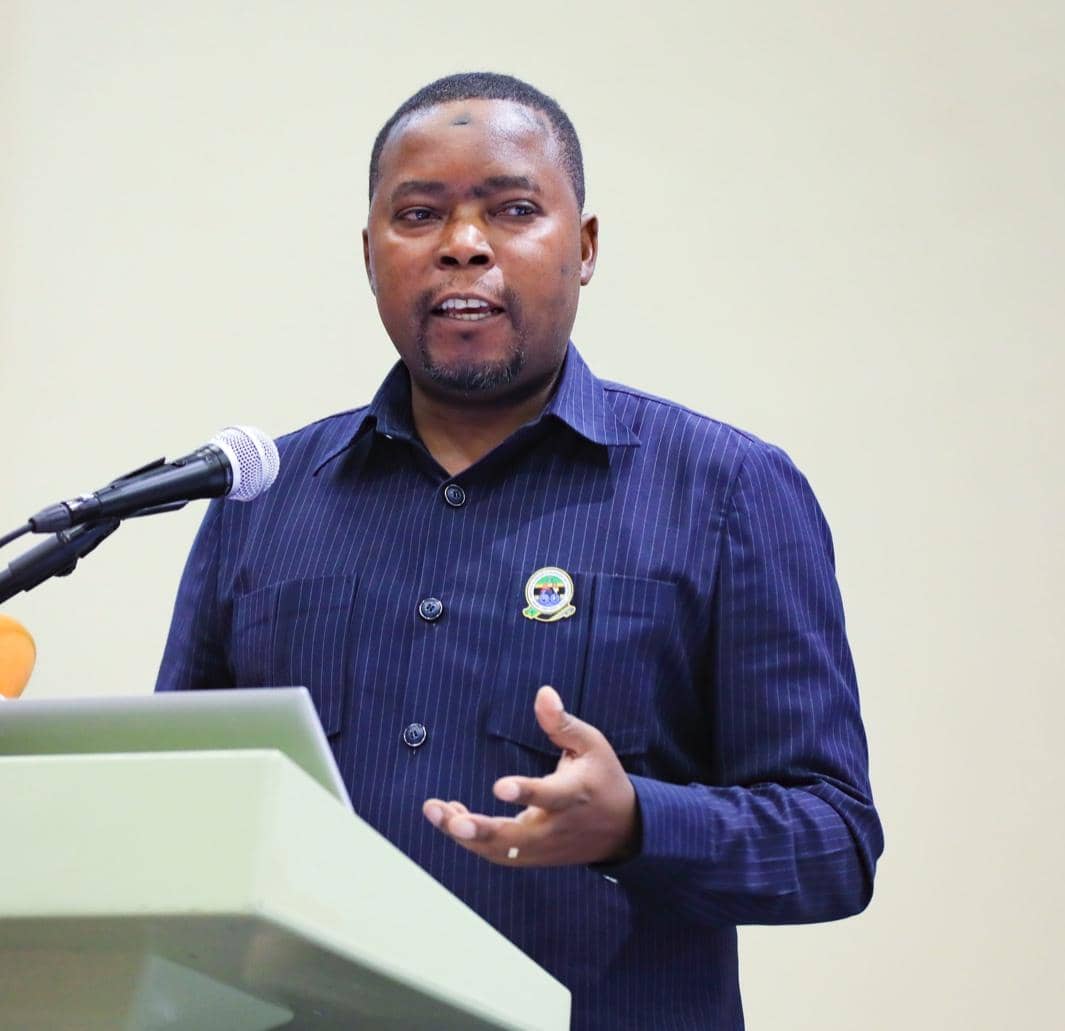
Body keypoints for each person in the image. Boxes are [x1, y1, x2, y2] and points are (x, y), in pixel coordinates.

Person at [157, 72, 883, 1029]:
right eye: (418, 214)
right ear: (370, 255)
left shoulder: (728, 490)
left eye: (512, 209)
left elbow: (833, 841)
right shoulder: (262, 499)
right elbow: (181, 803)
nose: (462, 244)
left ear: (583, 248)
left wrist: (635, 823)